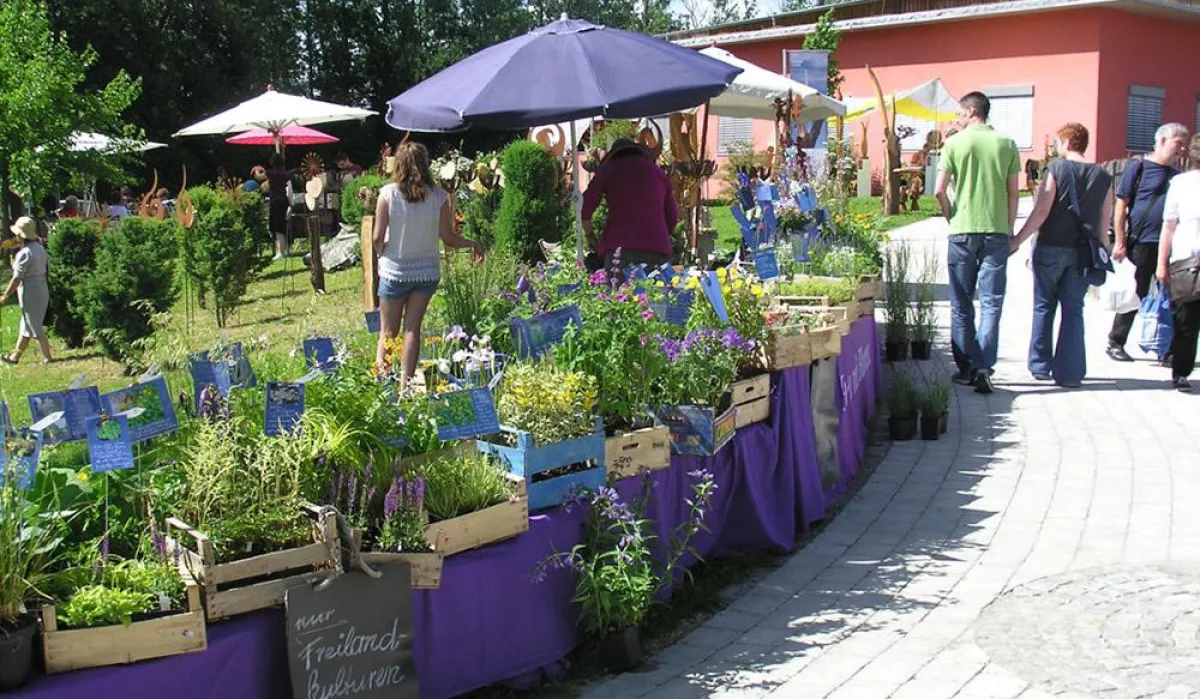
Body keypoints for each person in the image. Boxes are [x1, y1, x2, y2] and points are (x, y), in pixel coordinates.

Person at [1011, 123, 1112, 388]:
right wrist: (1104, 253)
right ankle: (1070, 373)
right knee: (1074, 310)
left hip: (1051, 246)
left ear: (1066, 142)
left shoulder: (1057, 168)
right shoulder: (1103, 176)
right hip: (1083, 252)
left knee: (1044, 305)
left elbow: (1043, 210)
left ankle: (1040, 365)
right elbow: (1104, 222)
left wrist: (1019, 239)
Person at [372, 142, 483, 381]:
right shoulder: (440, 197)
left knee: (387, 331)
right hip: (427, 272)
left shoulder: (387, 194)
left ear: (398, 165)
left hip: (395, 270)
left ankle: (381, 383)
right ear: (426, 164)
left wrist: (381, 252)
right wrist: (473, 244)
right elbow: (449, 238)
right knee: (413, 329)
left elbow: (377, 236)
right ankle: (406, 385)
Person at [934, 91, 1020, 394]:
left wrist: (950, 217)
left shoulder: (954, 143)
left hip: (962, 230)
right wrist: (1010, 230)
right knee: (992, 303)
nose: (957, 118)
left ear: (971, 111)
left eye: (959, 113)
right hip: (996, 232)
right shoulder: (1007, 144)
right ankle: (984, 365)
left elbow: (938, 190)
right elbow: (1014, 194)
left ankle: (966, 367)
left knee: (961, 303)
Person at [1107, 122, 1190, 362]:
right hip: (1141, 242)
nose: (1182, 149)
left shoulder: (1177, 178)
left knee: (1174, 297)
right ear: (1162, 140)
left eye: (1185, 144)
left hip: (1169, 245)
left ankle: (1169, 348)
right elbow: (1121, 204)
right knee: (1136, 292)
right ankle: (1116, 341)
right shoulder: (1139, 166)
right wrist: (1120, 241)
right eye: (1178, 143)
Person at [582, 137, 679, 272]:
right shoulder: (658, 173)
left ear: (613, 155)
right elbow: (673, 216)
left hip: (620, 249)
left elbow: (585, 206)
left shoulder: (609, 169)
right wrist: (657, 234)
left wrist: (590, 235)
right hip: (657, 249)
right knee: (656, 292)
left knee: (620, 292)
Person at [1156, 134, 1200, 392]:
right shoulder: (1181, 183)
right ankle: (1181, 371)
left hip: (1185, 259)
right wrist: (1162, 264)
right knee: (1185, 321)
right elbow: (1169, 226)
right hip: (1185, 261)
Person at [0, 217, 52, 365]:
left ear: (20, 235)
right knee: (26, 326)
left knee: (34, 326)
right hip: (41, 288)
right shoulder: (39, 248)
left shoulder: (24, 254)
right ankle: (14, 357)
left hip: (31, 291)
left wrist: (5, 296)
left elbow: (17, 279)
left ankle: (48, 357)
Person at [266, 154, 295, 259]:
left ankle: (280, 252)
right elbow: (289, 190)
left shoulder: (271, 173)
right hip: (284, 202)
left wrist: (258, 169)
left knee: (277, 228)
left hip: (275, 202)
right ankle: (285, 249)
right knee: (282, 226)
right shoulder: (286, 174)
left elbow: (259, 176)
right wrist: (291, 205)